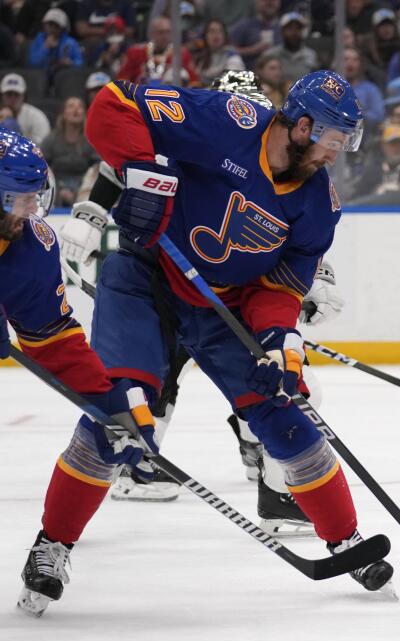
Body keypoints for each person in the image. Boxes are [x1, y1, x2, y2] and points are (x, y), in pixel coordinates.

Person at [27, 69, 394, 617]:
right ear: (300, 125)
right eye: (331, 140)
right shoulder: (230, 120)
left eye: (345, 142)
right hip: (145, 279)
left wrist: (277, 341)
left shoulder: (319, 205)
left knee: (285, 414)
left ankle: (345, 540)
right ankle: (51, 545)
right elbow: (112, 104)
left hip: (224, 307)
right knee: (118, 413)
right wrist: (146, 173)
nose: (335, 155)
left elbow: (282, 286)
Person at [58, 70, 342, 535]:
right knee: (147, 389)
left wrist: (313, 283)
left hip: (225, 301)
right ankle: (135, 466)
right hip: (167, 283)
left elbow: (283, 239)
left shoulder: (287, 167)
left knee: (275, 388)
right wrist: (91, 213)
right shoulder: (197, 134)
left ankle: (272, 482)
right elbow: (119, 167)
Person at [0, 129, 158, 617]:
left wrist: (107, 399)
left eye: (35, 195)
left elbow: (53, 337)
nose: (31, 209)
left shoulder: (33, 246)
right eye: (20, 198)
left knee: (105, 428)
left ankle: (54, 545)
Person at [40, 96, 99, 206]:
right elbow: (41, 161)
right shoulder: (52, 138)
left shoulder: (91, 138)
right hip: (56, 182)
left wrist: (79, 190)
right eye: (71, 106)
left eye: (80, 106)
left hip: (84, 183)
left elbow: (96, 165)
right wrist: (58, 187)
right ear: (63, 113)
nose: (76, 109)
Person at [117, 16, 200, 86]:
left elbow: (194, 82)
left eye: (168, 32)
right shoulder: (135, 52)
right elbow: (122, 79)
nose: (165, 36)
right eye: (161, 32)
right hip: (139, 98)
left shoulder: (182, 54)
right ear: (152, 33)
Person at [262, 11, 318, 87]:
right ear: (282, 31)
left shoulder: (311, 55)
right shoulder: (270, 55)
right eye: (290, 28)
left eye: (298, 28)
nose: (294, 33)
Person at [193, 18, 246, 85]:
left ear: (225, 36)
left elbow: (231, 84)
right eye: (212, 31)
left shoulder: (233, 56)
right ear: (205, 36)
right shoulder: (202, 59)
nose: (216, 34)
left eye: (220, 31)